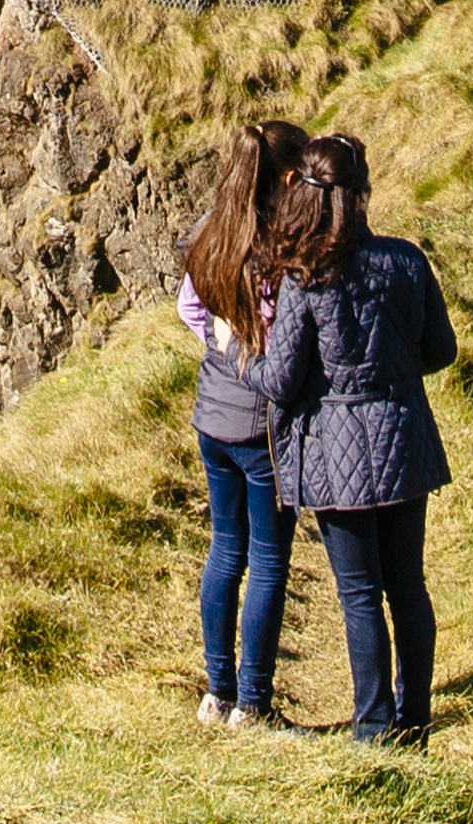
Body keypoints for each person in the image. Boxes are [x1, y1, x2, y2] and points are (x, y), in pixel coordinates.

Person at [262, 130, 453, 745]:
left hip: (336, 453)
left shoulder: (306, 278)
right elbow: (441, 350)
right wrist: (390, 372)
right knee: (408, 586)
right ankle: (414, 717)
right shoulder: (407, 260)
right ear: (362, 193)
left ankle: (373, 726)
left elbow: (282, 381)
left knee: (360, 595)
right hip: (402, 437)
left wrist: (239, 355)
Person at [173, 118, 308, 728]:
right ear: (284, 176)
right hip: (262, 427)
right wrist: (246, 353)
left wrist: (219, 343)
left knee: (225, 550)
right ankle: (253, 703)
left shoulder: (209, 233)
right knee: (270, 560)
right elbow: (283, 341)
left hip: (212, 417)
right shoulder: (281, 248)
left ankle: (217, 691)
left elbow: (186, 306)